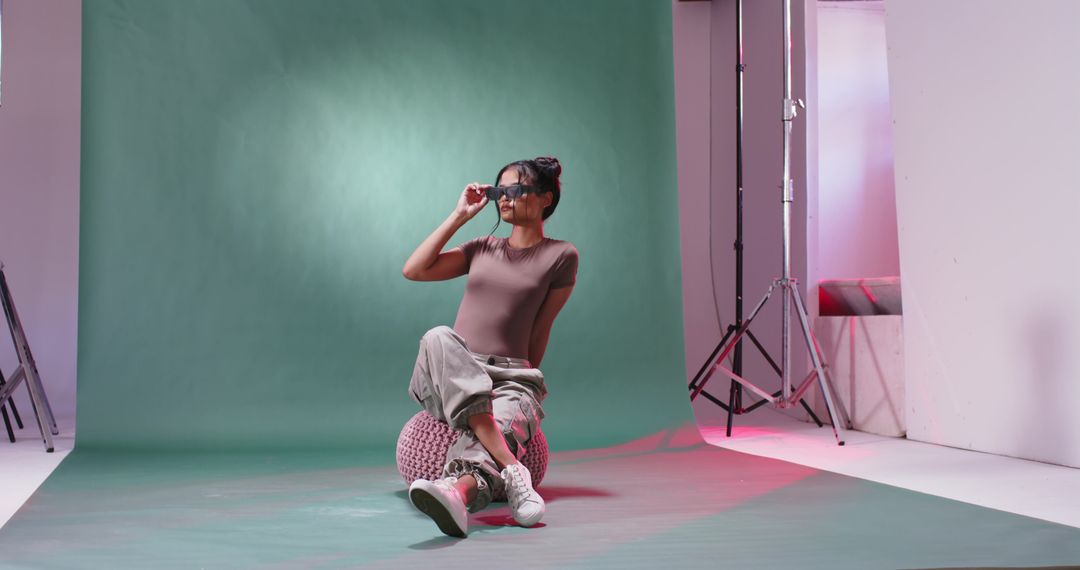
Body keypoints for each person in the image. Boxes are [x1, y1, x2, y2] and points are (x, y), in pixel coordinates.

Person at [401, 156, 578, 538]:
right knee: (438, 336)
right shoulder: (482, 247)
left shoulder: (561, 256)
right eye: (500, 191)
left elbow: (541, 327)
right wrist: (459, 216)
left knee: (502, 417)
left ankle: (456, 494)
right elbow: (414, 270)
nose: (505, 198)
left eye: (516, 190)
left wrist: (524, 390)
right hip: (454, 372)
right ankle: (514, 469)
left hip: (510, 375)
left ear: (546, 198)